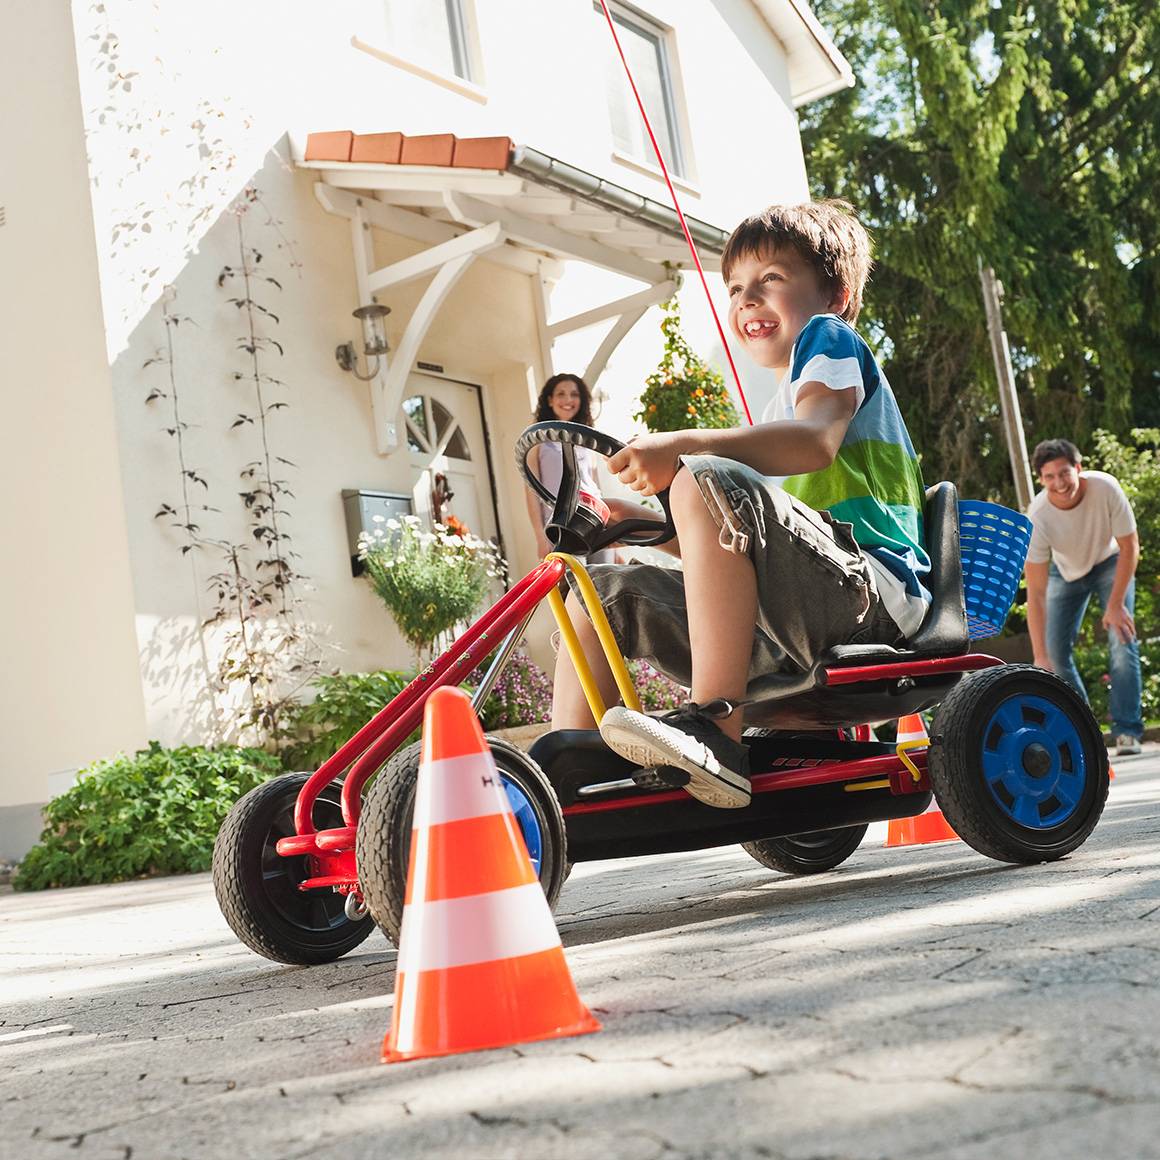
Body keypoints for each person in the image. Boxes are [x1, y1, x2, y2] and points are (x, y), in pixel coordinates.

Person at [550, 200, 930, 809]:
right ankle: (564, 779)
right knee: (598, 595)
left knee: (704, 476)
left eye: (770, 280)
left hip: (870, 598)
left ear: (833, 291)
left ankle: (715, 730)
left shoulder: (829, 340)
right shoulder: (780, 404)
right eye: (735, 289)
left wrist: (686, 449)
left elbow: (816, 442)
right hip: (788, 613)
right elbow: (734, 552)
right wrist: (644, 525)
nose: (747, 299)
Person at [1024, 438, 1143, 755]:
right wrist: (1040, 656)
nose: (1059, 484)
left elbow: (1131, 547)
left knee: (1122, 637)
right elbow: (1035, 592)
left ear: (1078, 468)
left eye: (1064, 473)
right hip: (1065, 573)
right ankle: (1087, 734)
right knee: (1055, 657)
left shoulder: (1105, 488)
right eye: (1050, 477)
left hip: (1110, 562)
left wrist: (1116, 605)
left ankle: (1127, 731)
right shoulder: (1038, 516)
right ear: (1041, 479)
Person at [522, 373, 620, 564]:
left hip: (595, 519)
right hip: (561, 525)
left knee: (606, 581)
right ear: (550, 400)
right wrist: (540, 536)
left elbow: (595, 486)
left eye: (574, 394)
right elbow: (531, 492)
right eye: (561, 394)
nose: (568, 400)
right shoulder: (538, 440)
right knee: (574, 585)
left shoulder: (586, 439)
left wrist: (613, 536)